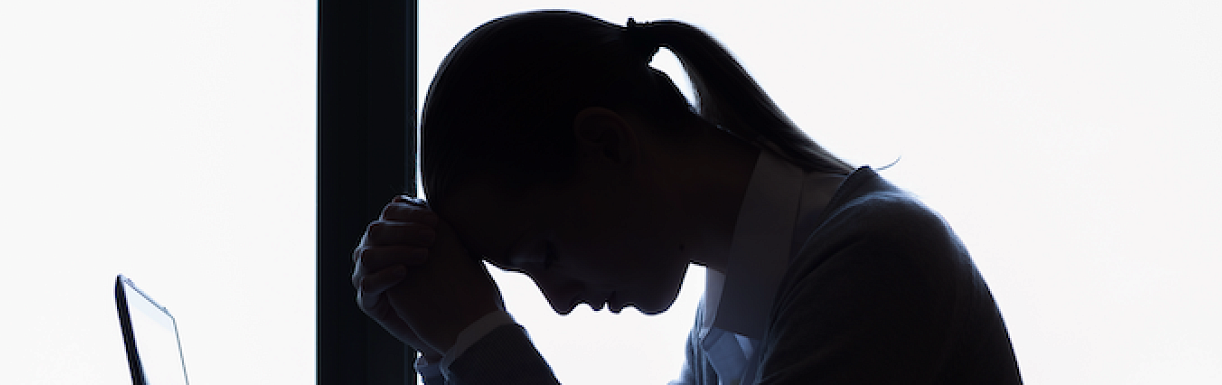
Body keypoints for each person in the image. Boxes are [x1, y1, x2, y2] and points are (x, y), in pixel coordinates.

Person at [352, 10, 1022, 385]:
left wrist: (477, 344)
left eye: (546, 252)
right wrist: (441, 349)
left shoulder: (875, 262)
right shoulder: (728, 322)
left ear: (609, 145)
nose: (557, 302)